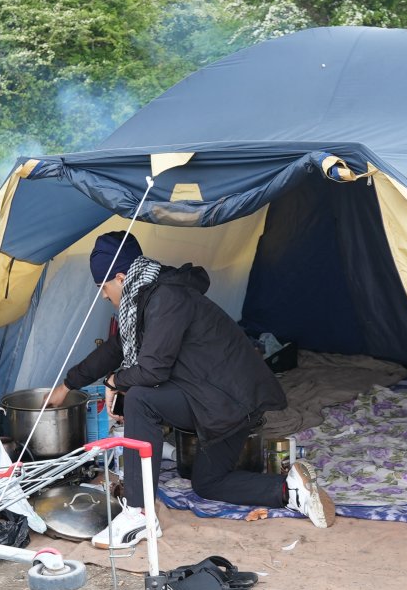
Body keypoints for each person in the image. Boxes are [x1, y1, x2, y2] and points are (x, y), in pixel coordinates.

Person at [47, 231, 335, 548]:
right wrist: (66, 386)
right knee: (208, 482)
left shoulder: (166, 298)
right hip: (226, 401)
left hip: (225, 401)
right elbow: (115, 349)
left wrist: (115, 382)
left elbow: (153, 368)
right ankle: (290, 491)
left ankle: (139, 513)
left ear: (120, 276)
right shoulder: (148, 301)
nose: (103, 296)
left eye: (103, 287)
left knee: (141, 399)